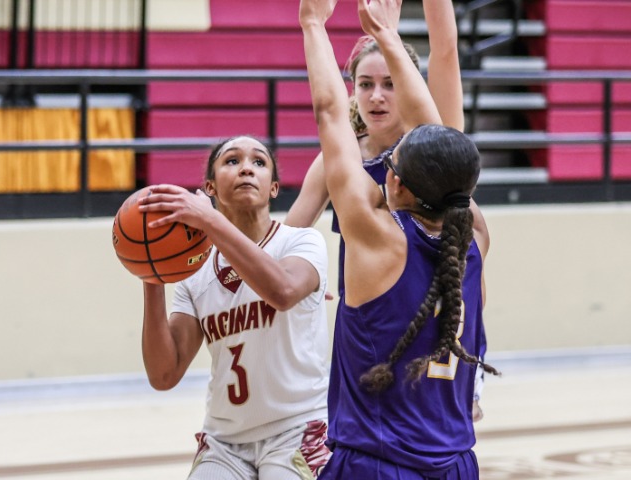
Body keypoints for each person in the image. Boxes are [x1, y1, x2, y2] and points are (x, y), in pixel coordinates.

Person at [300, 0, 500, 477]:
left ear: (393, 182)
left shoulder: (376, 233)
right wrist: (387, 36)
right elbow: (437, 136)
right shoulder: (474, 233)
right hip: (456, 460)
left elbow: (329, 111)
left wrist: (312, 21)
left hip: (378, 460)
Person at [137, 135, 332, 479]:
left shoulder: (301, 242)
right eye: (231, 160)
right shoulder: (195, 272)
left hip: (296, 429)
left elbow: (283, 291)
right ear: (209, 187)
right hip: (224, 440)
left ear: (273, 188)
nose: (246, 168)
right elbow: (163, 375)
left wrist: (209, 221)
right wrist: (152, 273)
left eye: (259, 162)